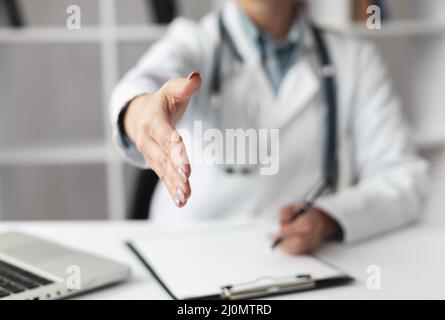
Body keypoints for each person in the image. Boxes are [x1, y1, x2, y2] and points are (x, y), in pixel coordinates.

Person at [110, 0, 428, 254]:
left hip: (293, 263)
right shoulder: (194, 41)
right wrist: (139, 112)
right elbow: (142, 83)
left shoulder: (353, 59)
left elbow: (403, 178)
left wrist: (329, 218)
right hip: (187, 255)